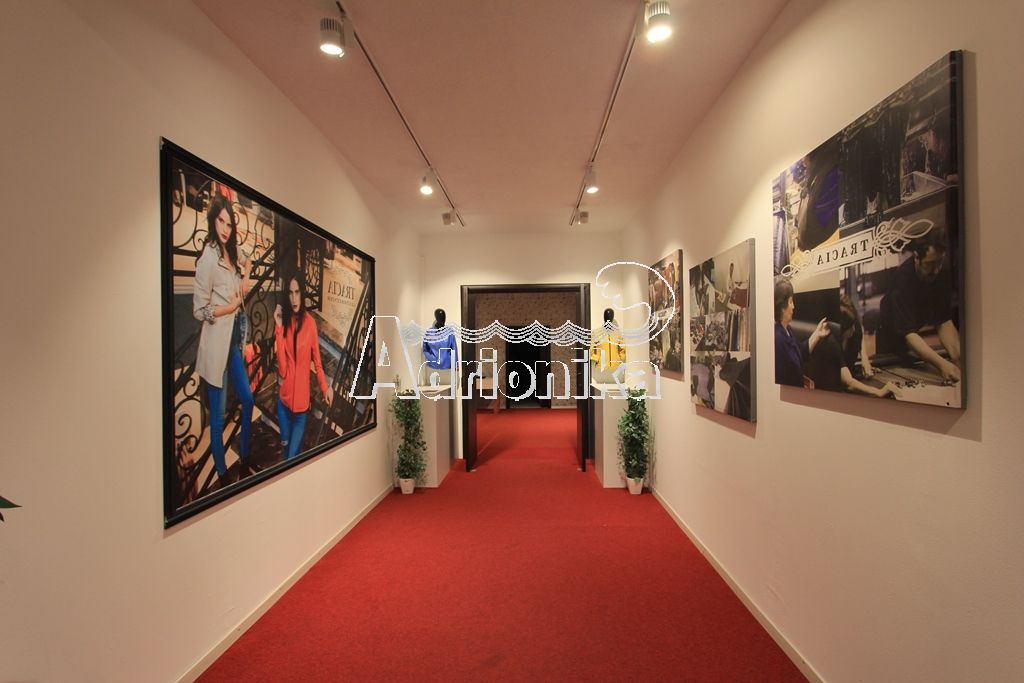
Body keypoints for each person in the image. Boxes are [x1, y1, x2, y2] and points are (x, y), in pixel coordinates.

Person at [192, 195, 254, 486]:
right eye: (221, 222)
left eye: (229, 224)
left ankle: (245, 456)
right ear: (213, 220)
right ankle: (221, 472)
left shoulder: (231, 251)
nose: (225, 229)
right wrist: (228, 308)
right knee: (217, 417)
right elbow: (199, 310)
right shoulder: (208, 258)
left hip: (233, 344)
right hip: (216, 346)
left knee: (248, 399)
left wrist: (246, 277)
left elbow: (249, 259)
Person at [877, 231, 961, 382]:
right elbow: (909, 335)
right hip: (890, 339)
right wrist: (942, 365)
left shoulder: (940, 275)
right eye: (930, 264)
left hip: (914, 333)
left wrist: (957, 358)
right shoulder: (902, 281)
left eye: (939, 262)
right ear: (916, 257)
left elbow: (944, 321)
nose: (936, 270)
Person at [275, 272, 333, 461]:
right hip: (283, 405)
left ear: (302, 293)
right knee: (288, 453)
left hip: (300, 410)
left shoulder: (310, 324)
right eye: (290, 293)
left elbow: (317, 362)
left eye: (297, 292)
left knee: (290, 459)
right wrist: (278, 328)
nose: (294, 298)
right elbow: (283, 370)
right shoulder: (284, 323)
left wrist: (325, 388)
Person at [809, 295, 901, 398]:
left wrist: (864, 358)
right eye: (851, 327)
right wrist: (879, 392)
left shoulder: (852, 323)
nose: (854, 329)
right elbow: (848, 383)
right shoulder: (831, 341)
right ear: (843, 330)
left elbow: (858, 332)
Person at [774, 278, 830, 387]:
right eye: (791, 302)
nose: (793, 306)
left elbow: (800, 352)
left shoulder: (788, 330)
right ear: (782, 307)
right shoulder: (778, 339)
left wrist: (817, 334)